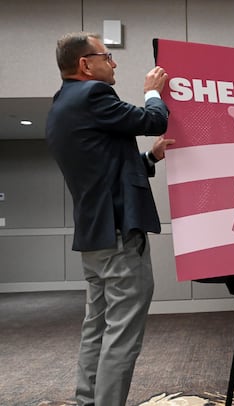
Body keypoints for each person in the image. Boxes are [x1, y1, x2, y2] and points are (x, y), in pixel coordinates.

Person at [45, 32, 174, 406]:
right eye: (107, 56)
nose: (114, 62)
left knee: (97, 329)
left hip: (94, 238)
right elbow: (152, 120)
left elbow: (103, 168)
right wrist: (152, 91)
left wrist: (150, 159)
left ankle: (88, 401)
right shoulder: (92, 95)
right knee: (122, 336)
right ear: (85, 64)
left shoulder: (61, 105)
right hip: (118, 238)